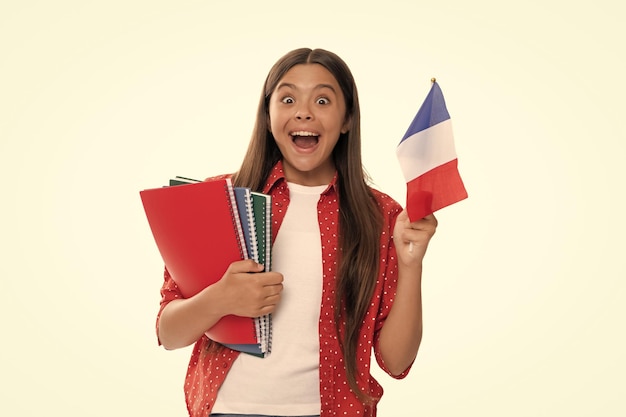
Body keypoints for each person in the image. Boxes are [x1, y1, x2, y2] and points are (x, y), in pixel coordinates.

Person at [155, 47, 438, 417]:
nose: (304, 111)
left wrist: (411, 264)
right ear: (268, 114)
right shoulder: (217, 201)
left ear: (347, 118)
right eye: (288, 98)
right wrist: (220, 299)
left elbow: (396, 362)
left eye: (322, 100)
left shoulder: (382, 217)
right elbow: (169, 334)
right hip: (227, 408)